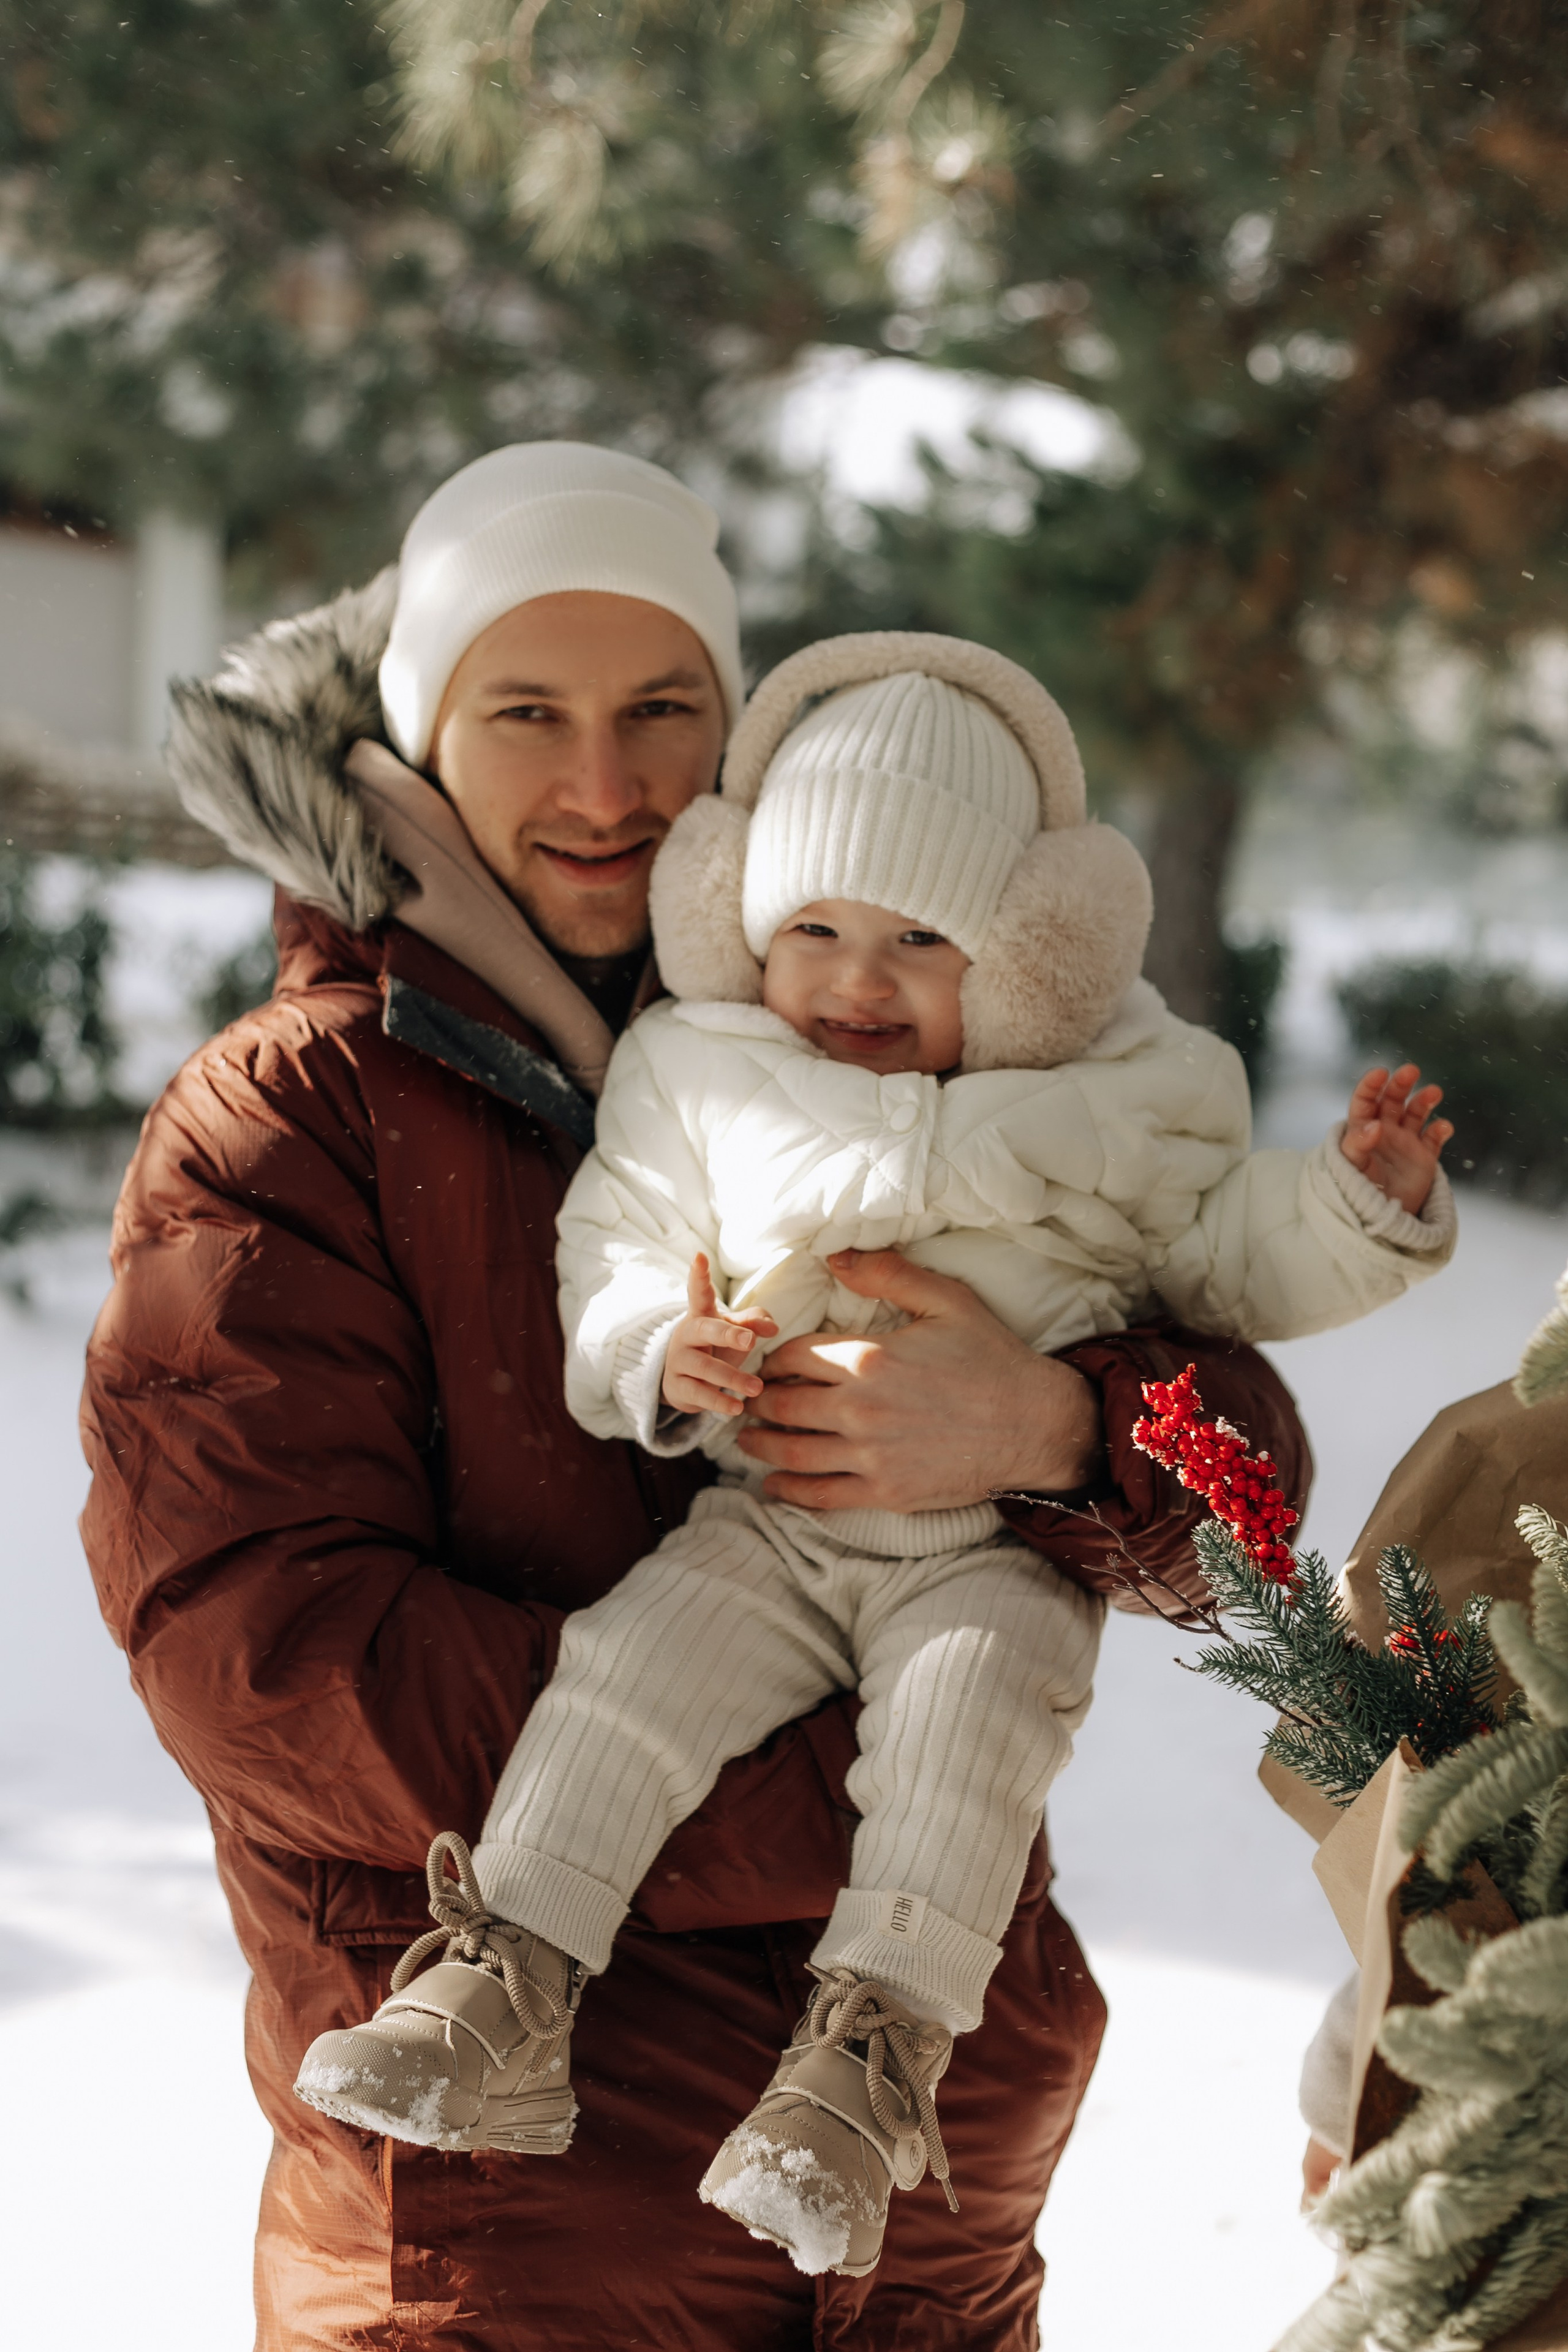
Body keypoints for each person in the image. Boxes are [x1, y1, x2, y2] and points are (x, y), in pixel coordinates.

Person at [80, 441, 1312, 2350]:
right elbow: (275, 1661)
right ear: (417, 740)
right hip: (533, 2247)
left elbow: (1245, 1485)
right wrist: (888, 1817)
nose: (605, 786)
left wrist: (1058, 1427)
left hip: (921, 2221)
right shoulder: (296, 1119)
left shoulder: (881, 1012)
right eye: (527, 714)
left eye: (665, 710)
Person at [290, 629, 1456, 2283]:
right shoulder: (704, 1076)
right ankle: (503, 1978)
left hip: (994, 1548)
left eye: (921, 940)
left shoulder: (1124, 1099)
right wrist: (652, 1356)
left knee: (969, 1730)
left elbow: (1230, 1250)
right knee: (628, 1671)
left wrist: (1357, 1204)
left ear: (1031, 955)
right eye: (814, 930)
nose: (855, 979)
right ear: (741, 922)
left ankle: (867, 2067)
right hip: (773, 1518)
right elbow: (621, 1245)